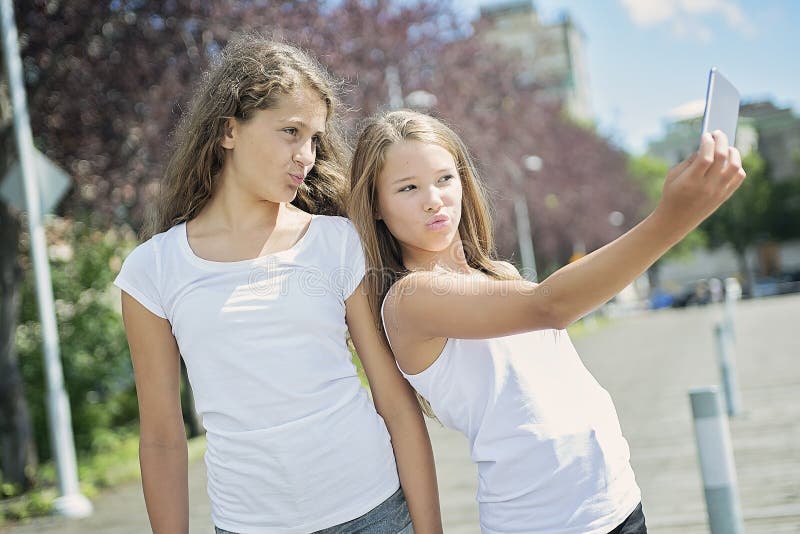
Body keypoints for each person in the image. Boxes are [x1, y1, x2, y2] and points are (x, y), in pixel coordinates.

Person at [347, 110, 746, 534]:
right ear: (375, 204)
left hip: (617, 501)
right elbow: (550, 305)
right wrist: (674, 217)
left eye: (445, 179)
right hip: (543, 522)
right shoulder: (411, 298)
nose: (433, 199)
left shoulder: (499, 276)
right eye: (408, 188)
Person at [114, 38, 441, 533]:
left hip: (373, 510)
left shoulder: (338, 242)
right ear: (229, 130)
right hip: (248, 523)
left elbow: (393, 401)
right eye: (291, 131)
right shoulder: (152, 270)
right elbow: (161, 436)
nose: (306, 155)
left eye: (314, 138)